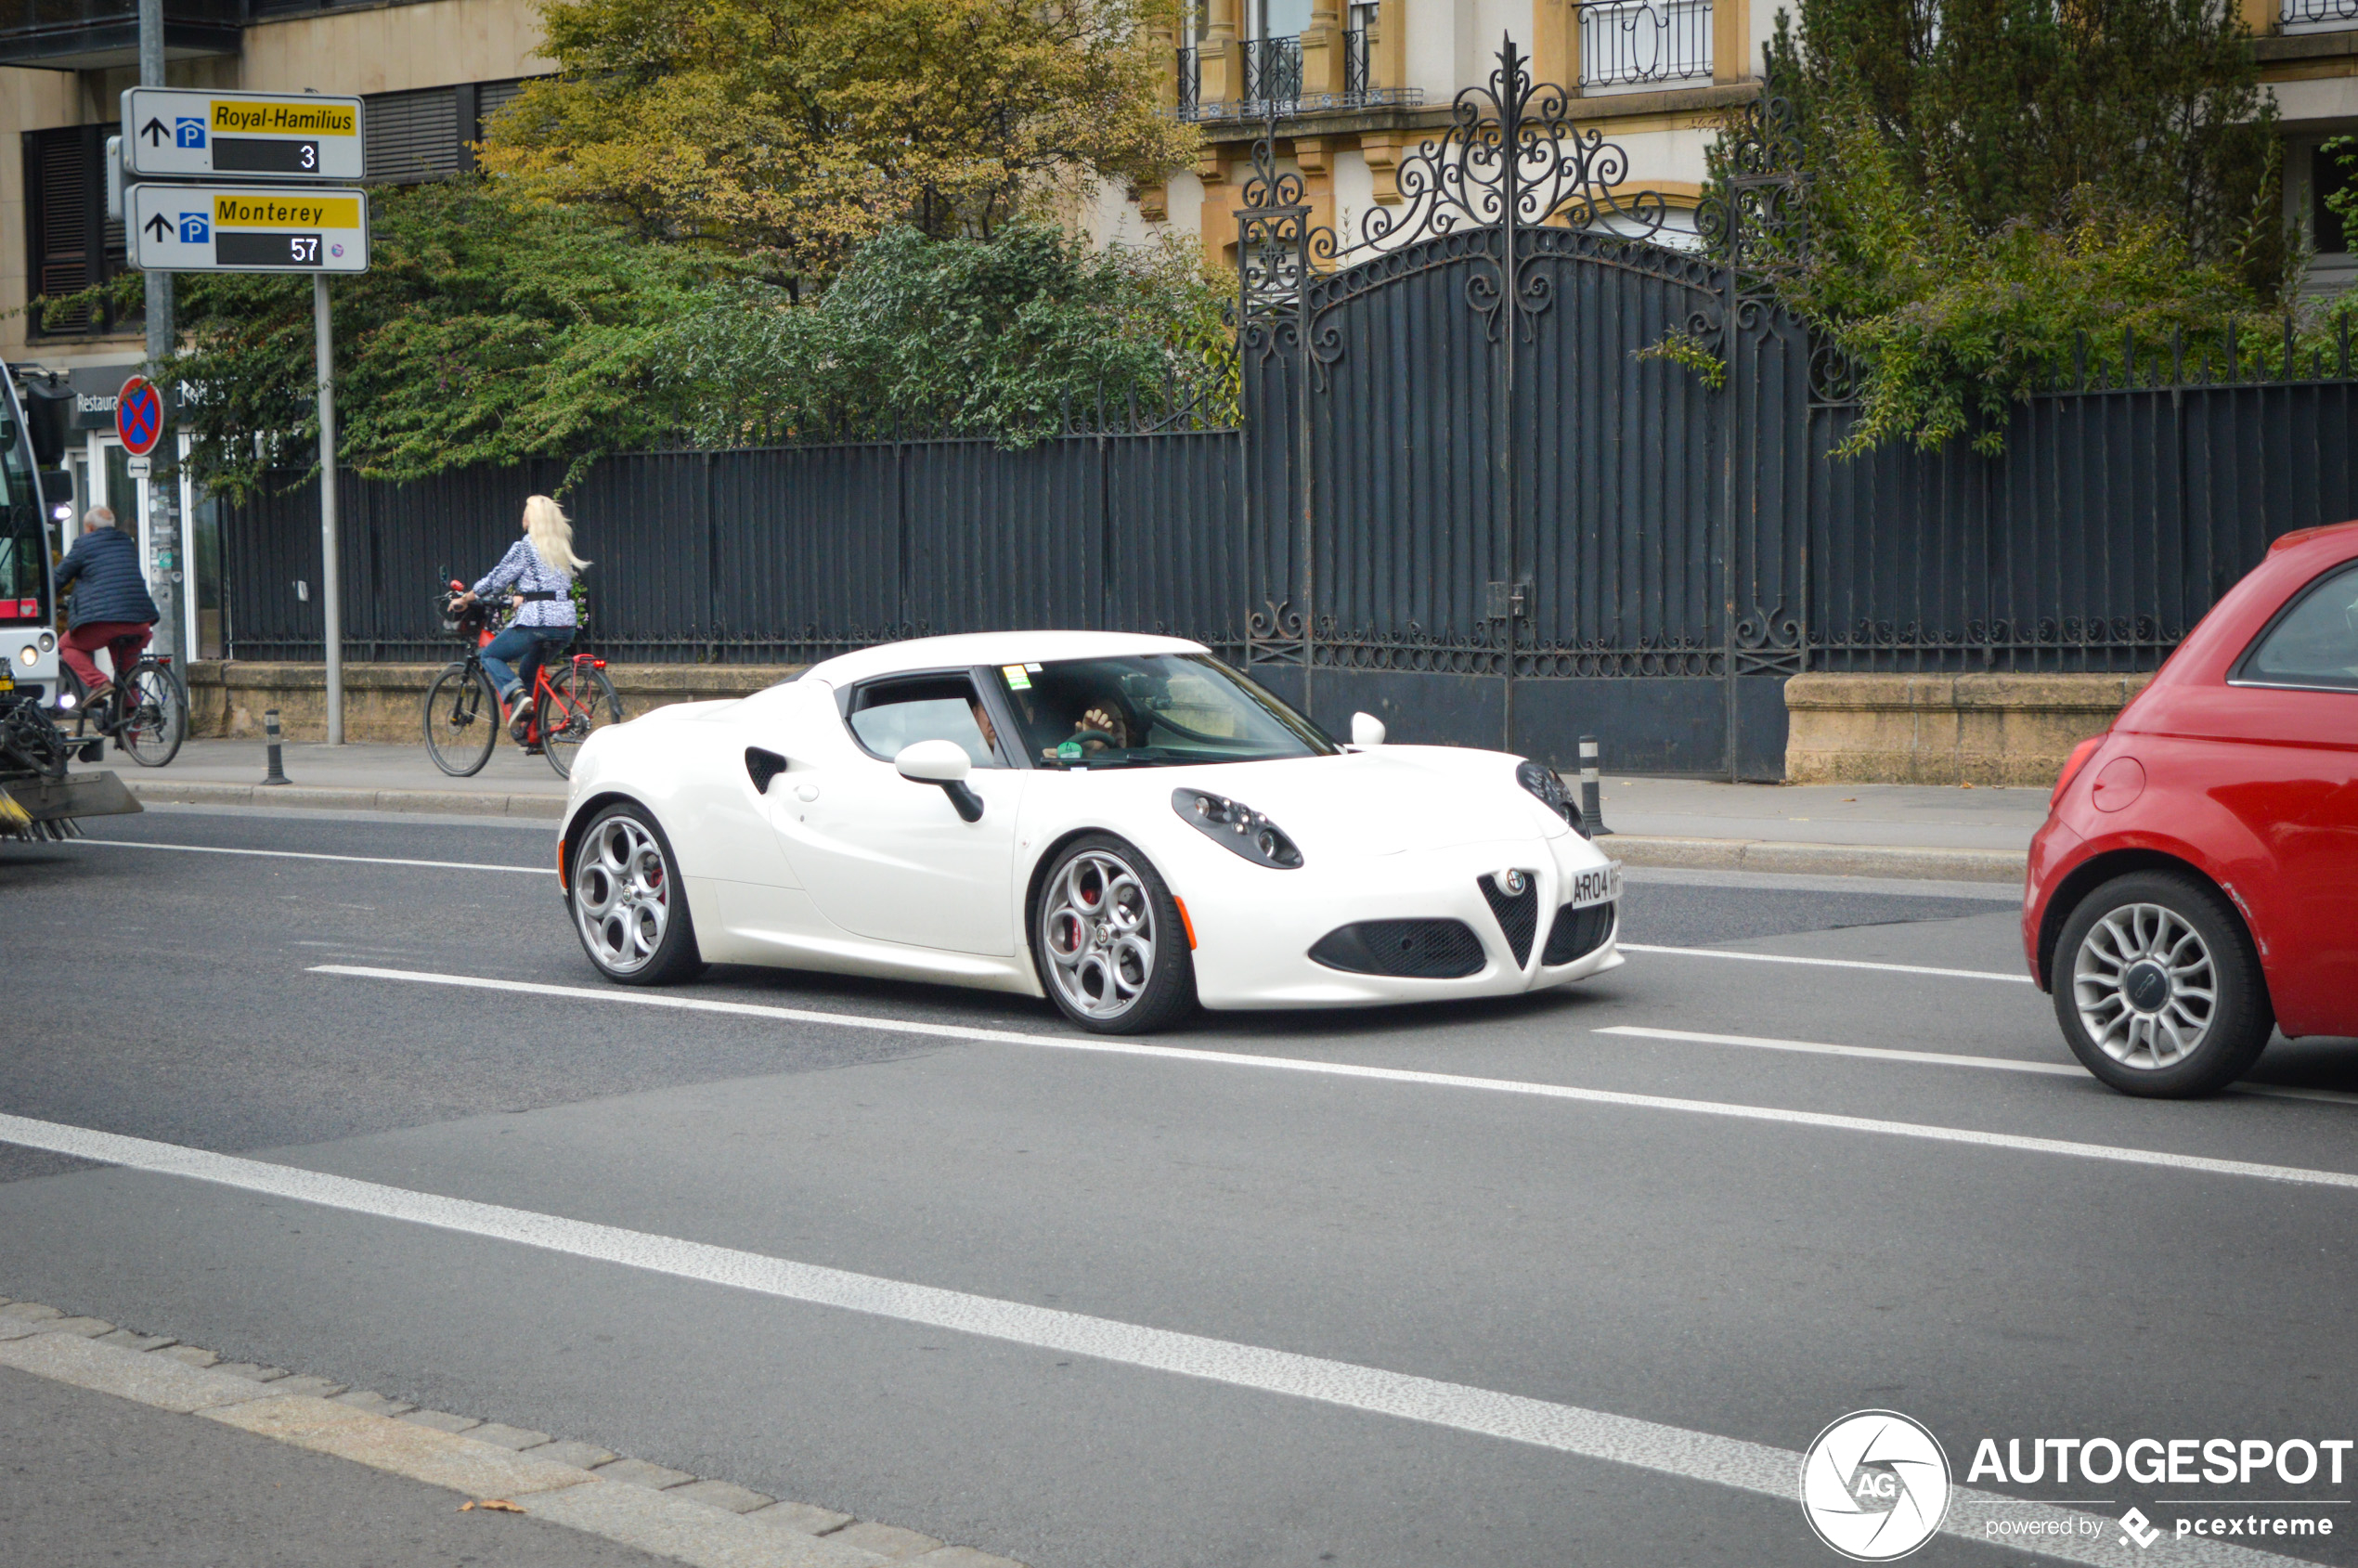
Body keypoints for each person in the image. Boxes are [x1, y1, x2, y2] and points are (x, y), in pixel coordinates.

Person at [455, 496, 589, 741]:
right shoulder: (559, 547)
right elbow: (546, 583)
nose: (523, 516)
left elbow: (496, 580)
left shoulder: (525, 546)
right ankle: (532, 734)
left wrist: (466, 598)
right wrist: (521, 596)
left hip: (536, 623)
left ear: (534, 518)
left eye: (526, 511)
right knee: (528, 670)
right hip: (565, 626)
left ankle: (516, 695)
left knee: (490, 655)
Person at [53, 505, 161, 706]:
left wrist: (36, 599)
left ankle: (99, 683)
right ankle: (130, 737)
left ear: (91, 528)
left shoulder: (83, 544)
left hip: (103, 622)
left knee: (66, 645)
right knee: (128, 680)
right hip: (139, 621)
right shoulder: (126, 543)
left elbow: (59, 577)